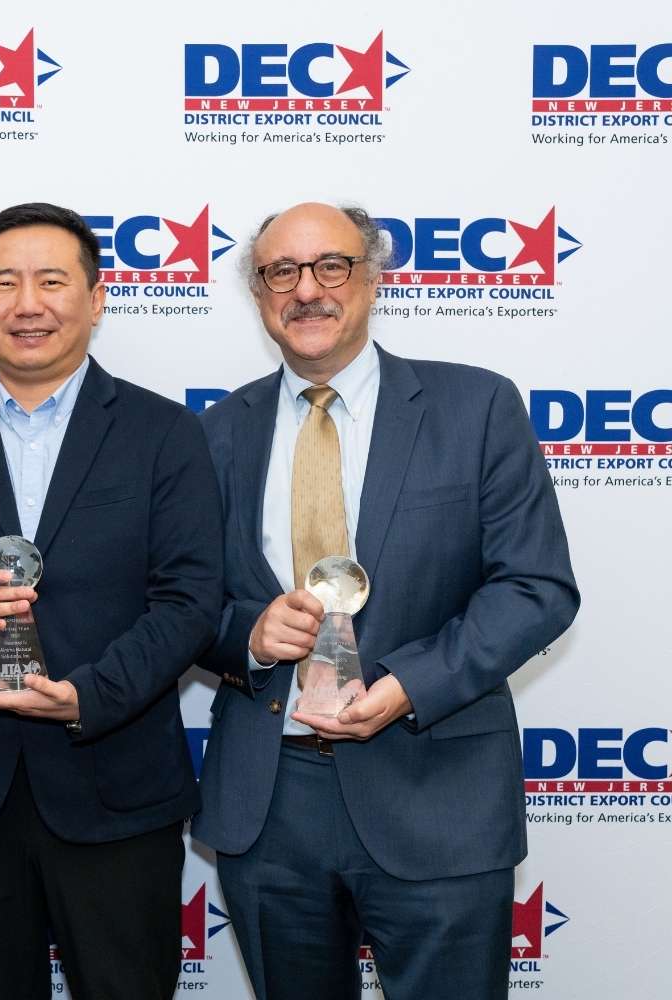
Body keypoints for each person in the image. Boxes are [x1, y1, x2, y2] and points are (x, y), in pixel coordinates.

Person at [192, 202, 579, 999]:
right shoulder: (215, 432)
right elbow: (185, 604)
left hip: (437, 789)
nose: (307, 290)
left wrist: (409, 683)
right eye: (281, 272)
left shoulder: (476, 408)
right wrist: (250, 638)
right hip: (270, 802)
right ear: (259, 294)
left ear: (372, 278)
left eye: (331, 266)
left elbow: (535, 586)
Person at [0, 203, 223, 999]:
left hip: (117, 782)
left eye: (51, 281)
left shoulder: (164, 432)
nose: (27, 304)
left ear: (96, 298)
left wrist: (87, 696)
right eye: (4, 283)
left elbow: (190, 599)